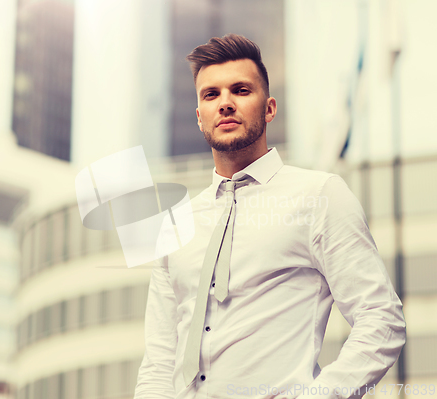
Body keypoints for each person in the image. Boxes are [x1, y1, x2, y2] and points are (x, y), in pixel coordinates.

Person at [134, 34, 405, 399]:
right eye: (211, 95)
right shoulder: (176, 222)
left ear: (269, 108)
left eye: (241, 90)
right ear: (200, 117)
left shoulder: (319, 195)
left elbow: (381, 319)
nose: (225, 103)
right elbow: (159, 358)